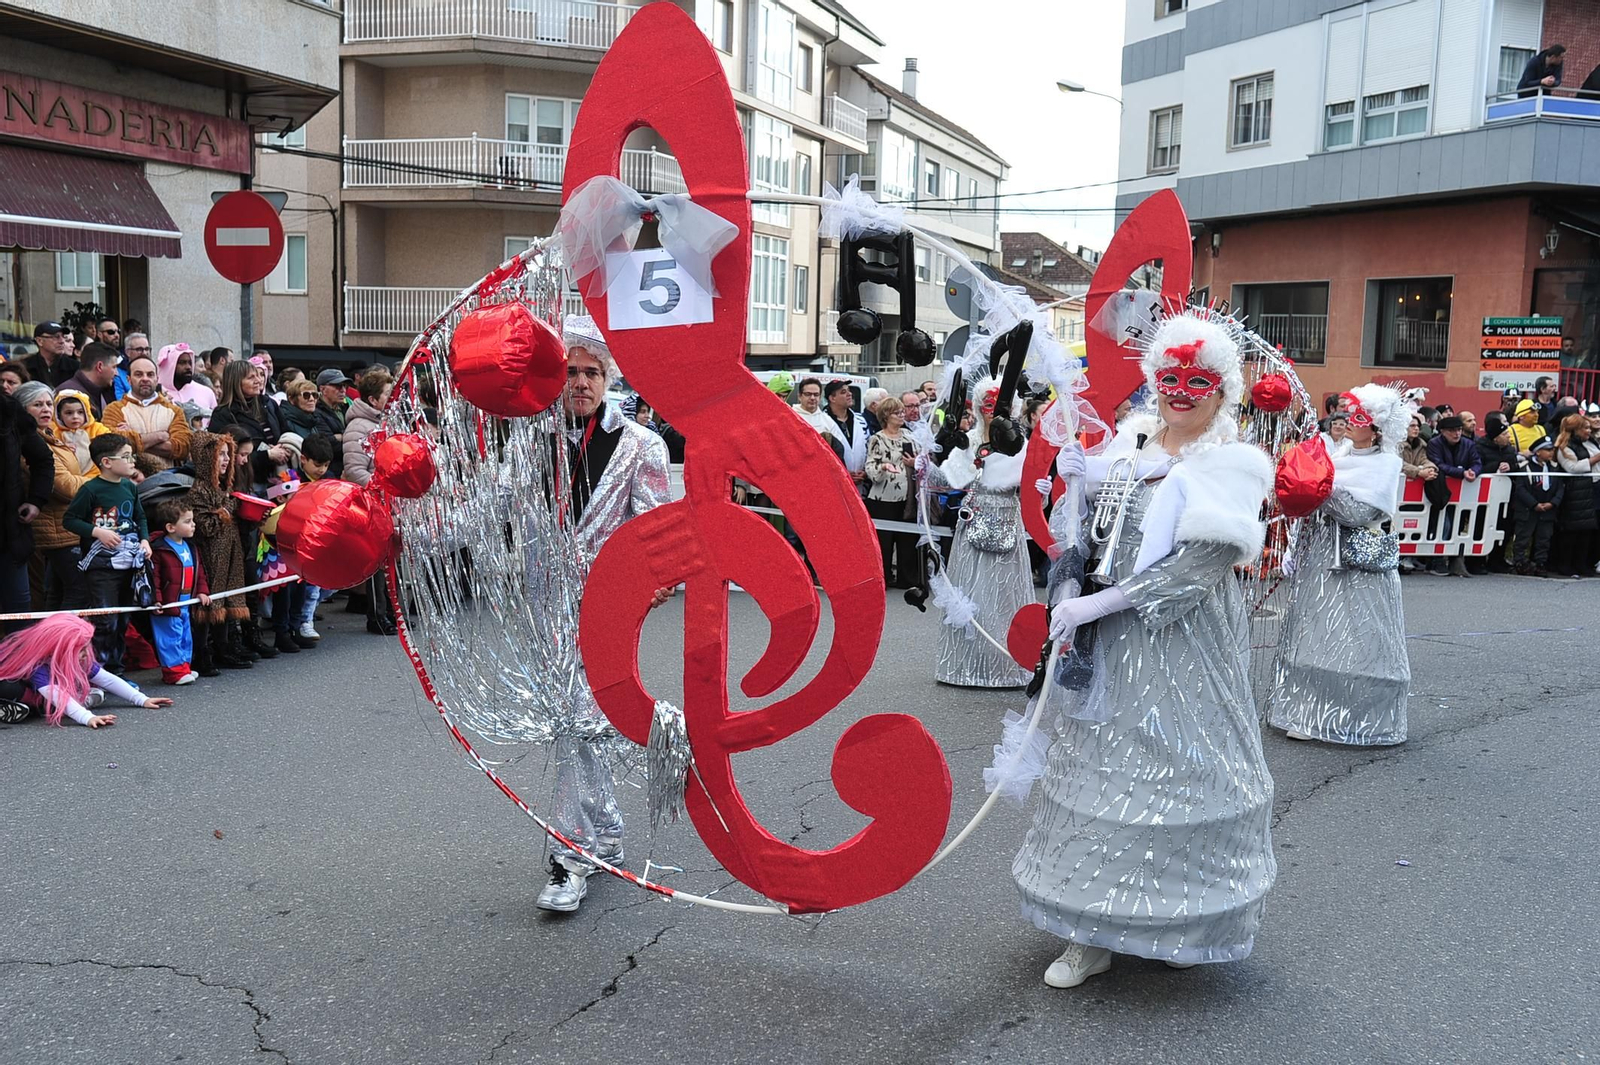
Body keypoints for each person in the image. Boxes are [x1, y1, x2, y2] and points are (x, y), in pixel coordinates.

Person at [1013, 310, 1275, 988]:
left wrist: (1093, 604)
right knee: (1100, 772)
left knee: (1170, 773)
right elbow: (1107, 523)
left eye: (1197, 380)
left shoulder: (1235, 464)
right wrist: (1083, 474)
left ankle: (1169, 916)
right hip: (1108, 649)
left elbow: (1192, 568)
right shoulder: (1132, 441)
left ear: (1222, 390)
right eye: (1168, 378)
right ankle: (1087, 931)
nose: (1180, 392)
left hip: (1176, 645)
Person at [535, 315, 672, 915]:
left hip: (608, 608)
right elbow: (493, 508)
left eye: (592, 371)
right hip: (546, 608)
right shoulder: (530, 439)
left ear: (610, 376)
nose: (580, 382)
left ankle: (569, 856)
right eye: (570, 371)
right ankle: (605, 830)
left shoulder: (641, 445)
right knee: (574, 727)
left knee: (580, 724)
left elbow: (654, 530)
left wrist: (655, 581)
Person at [1269, 384, 1414, 746]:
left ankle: (1357, 717)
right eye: (1351, 414)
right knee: (1314, 632)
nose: (1350, 421)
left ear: (1377, 429)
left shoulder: (1385, 464)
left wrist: (1323, 488)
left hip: (1357, 566)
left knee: (1358, 638)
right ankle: (1306, 711)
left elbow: (1359, 512)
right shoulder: (1338, 456)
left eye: (1360, 418)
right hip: (1319, 560)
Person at [929, 378, 1033, 689]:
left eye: (999, 404)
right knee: (970, 591)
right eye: (987, 404)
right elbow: (949, 479)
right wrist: (927, 457)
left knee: (1002, 594)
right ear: (977, 406)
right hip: (971, 521)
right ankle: (966, 666)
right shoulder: (969, 441)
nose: (992, 411)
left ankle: (1004, 666)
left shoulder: (1020, 444)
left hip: (1006, 522)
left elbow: (1028, 485)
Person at [62, 434, 151, 672]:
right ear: (106, 462)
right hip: (101, 566)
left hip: (129, 562)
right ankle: (96, 670)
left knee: (123, 618)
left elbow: (139, 516)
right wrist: (96, 532)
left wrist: (144, 540)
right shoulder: (90, 489)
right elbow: (69, 520)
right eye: (126, 456)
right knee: (105, 619)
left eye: (132, 455)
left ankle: (115, 668)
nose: (132, 461)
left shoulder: (129, 488)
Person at [0, 615, 171, 728]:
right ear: (59, 648)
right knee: (8, 687)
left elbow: (107, 679)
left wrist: (142, 699)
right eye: (80, 649)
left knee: (66, 699)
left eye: (85, 647)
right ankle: (23, 707)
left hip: (44, 693)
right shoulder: (38, 665)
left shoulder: (80, 658)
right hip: (21, 688)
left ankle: (24, 709)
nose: (85, 653)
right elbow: (57, 694)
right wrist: (87, 717)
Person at [181, 432, 253, 672]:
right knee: (208, 601)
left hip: (229, 553)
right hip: (210, 556)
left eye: (227, 454)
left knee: (226, 598)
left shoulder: (223, 488)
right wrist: (228, 508)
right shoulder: (198, 492)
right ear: (206, 458)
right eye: (220, 454)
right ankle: (202, 652)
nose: (225, 459)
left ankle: (223, 646)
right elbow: (206, 527)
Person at [0, 386, 53, 626]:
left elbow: (42, 459)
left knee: (19, 612)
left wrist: (36, 501)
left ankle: (18, 664)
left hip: (9, 531)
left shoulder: (8, 409)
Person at [148, 499, 214, 684]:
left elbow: (200, 572)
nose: (193, 525)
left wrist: (202, 591)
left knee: (185, 636)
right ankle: (173, 672)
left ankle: (184, 667)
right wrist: (157, 600)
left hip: (186, 603)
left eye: (192, 520)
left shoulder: (191, 547)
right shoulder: (159, 550)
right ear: (170, 527)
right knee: (170, 639)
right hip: (168, 604)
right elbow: (155, 579)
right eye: (187, 521)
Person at [863, 394, 918, 588]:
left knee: (907, 540)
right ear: (886, 415)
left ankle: (907, 579)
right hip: (883, 497)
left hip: (907, 496)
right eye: (897, 412)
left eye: (902, 411)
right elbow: (870, 466)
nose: (902, 415)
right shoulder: (877, 439)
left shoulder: (910, 436)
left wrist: (916, 463)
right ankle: (882, 578)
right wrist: (884, 467)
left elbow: (923, 461)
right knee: (884, 542)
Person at [207, 360, 287, 490]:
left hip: (278, 477)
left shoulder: (269, 404)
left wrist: (283, 448)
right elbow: (225, 455)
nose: (258, 380)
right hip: (247, 482)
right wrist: (268, 455)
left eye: (259, 375)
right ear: (236, 382)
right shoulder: (224, 414)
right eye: (251, 377)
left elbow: (285, 431)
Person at [101, 354, 192, 465]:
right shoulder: (114, 410)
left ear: (157, 379)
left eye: (150, 374)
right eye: (138, 374)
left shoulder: (174, 411)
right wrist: (159, 436)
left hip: (167, 479)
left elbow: (182, 447)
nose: (145, 379)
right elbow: (111, 444)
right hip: (129, 479)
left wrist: (133, 438)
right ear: (129, 379)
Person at [1426, 414, 1482, 576]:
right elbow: (1438, 464)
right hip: (1439, 491)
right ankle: (1436, 560)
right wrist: (1461, 472)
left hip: (1462, 493)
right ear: (1442, 431)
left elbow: (1477, 462)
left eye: (1458, 430)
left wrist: (1474, 472)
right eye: (1452, 431)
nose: (1456, 434)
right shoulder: (1434, 444)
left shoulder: (1468, 444)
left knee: (1457, 526)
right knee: (1443, 524)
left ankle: (1453, 560)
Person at [1554, 414, 1600, 577]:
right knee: (1572, 531)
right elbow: (1573, 468)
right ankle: (1566, 564)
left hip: (1590, 489)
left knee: (1587, 530)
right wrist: (1596, 458)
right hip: (1574, 491)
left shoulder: (1588, 442)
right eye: (1585, 428)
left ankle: (1583, 563)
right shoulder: (1564, 446)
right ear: (1575, 430)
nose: (1589, 431)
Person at [1512, 436, 1563, 576]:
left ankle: (1540, 563)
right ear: (1538, 452)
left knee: (1544, 539)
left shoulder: (1554, 467)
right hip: (1529, 510)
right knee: (1523, 537)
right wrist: (1534, 504)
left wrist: (1553, 503)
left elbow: (1560, 487)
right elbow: (1521, 489)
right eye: (1547, 450)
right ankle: (1520, 562)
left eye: (1552, 450)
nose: (1551, 452)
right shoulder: (1526, 467)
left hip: (1548, 510)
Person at [1398, 415, 1436, 574]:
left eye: (1417, 426)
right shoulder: (1397, 445)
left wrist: (1430, 469)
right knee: (1397, 522)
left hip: (1414, 490)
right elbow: (1398, 463)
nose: (1415, 429)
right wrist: (1419, 472)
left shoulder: (1421, 445)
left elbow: (1425, 459)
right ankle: (1397, 556)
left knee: (1413, 521)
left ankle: (1408, 556)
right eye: (1411, 425)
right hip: (1398, 491)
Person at [51, 390, 112, 474]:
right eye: (69, 413)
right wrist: (63, 449)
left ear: (87, 412)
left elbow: (111, 446)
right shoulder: (55, 434)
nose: (75, 417)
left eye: (80, 412)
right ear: (59, 415)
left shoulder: (98, 429)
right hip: (70, 477)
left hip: (97, 474)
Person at [819, 380, 868, 485]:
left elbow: (866, 449)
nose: (849, 394)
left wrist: (865, 472)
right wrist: (842, 474)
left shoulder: (860, 420)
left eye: (849, 391)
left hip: (859, 484)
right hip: (835, 484)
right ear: (832, 398)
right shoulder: (822, 423)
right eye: (843, 392)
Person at [156, 343, 217, 415]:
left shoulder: (206, 392)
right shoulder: (155, 395)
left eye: (190, 363)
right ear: (169, 366)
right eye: (182, 363)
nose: (188, 367)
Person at [63, 343, 119, 420]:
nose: (117, 373)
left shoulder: (105, 390)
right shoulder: (68, 394)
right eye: (114, 367)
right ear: (99, 367)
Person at [22, 321, 78, 388]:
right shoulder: (24, 367)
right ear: (40, 341)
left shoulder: (75, 367)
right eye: (56, 337)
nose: (62, 341)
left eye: (63, 337)